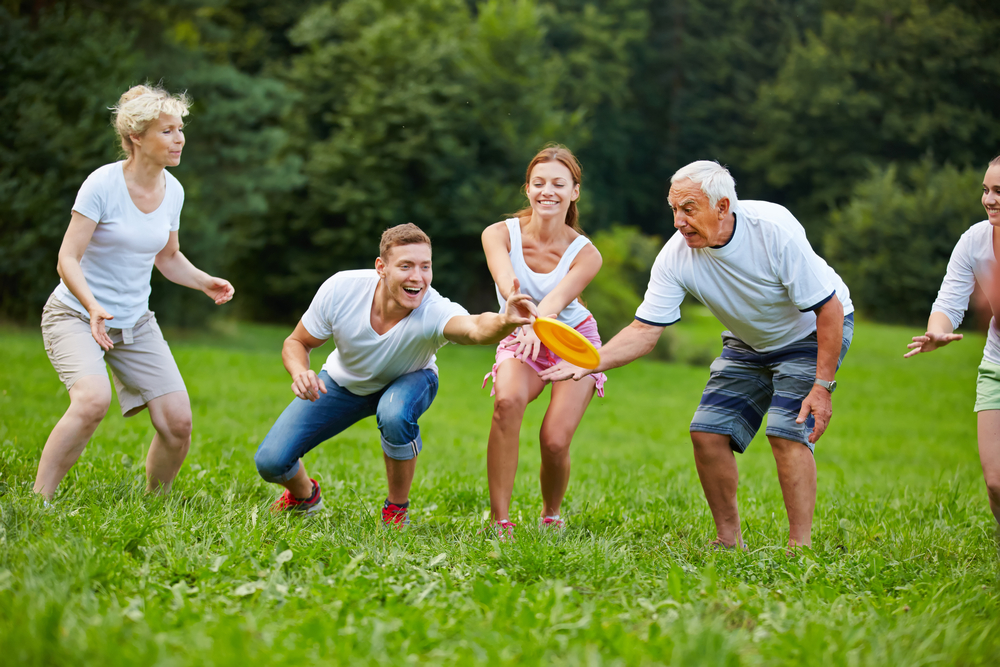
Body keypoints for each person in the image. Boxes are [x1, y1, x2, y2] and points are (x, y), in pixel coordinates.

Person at [542, 160, 853, 550]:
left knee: (786, 431)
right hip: (747, 339)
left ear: (723, 207)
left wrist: (822, 386)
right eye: (673, 209)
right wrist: (590, 360)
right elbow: (644, 331)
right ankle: (728, 541)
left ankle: (799, 548)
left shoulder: (773, 230)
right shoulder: (676, 257)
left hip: (810, 331)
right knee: (707, 433)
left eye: (688, 209)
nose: (678, 221)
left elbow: (829, 309)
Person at [254, 223, 537, 525]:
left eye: (425, 267)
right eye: (406, 266)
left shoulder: (433, 309)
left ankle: (396, 509)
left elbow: (476, 328)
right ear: (382, 267)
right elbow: (297, 342)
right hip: (341, 382)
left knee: (394, 412)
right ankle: (304, 497)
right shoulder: (341, 289)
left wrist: (506, 320)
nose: (417, 277)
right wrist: (300, 371)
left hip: (411, 379)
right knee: (270, 462)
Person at [36, 84, 235, 500]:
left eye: (180, 129)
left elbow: (168, 256)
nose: (179, 138)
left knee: (178, 422)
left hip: (134, 322)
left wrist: (203, 281)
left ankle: (154, 504)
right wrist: (92, 306)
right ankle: (40, 500)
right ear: (135, 138)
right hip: (75, 313)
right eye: (166, 131)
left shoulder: (172, 190)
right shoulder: (103, 184)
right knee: (92, 401)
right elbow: (67, 259)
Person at [481, 144, 606, 539]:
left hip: (571, 339)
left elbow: (555, 300)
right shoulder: (498, 234)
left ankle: (551, 513)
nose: (546, 191)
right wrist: (517, 306)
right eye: (538, 183)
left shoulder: (587, 254)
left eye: (558, 183)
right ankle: (500, 520)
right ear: (528, 189)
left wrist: (538, 318)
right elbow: (506, 280)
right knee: (506, 402)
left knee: (553, 439)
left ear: (574, 192)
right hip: (521, 332)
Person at [904, 156, 1000, 525]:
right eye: (985, 190)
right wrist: (938, 330)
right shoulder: (975, 241)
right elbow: (949, 301)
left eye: (998, 191)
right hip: (996, 365)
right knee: (995, 484)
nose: (989, 199)